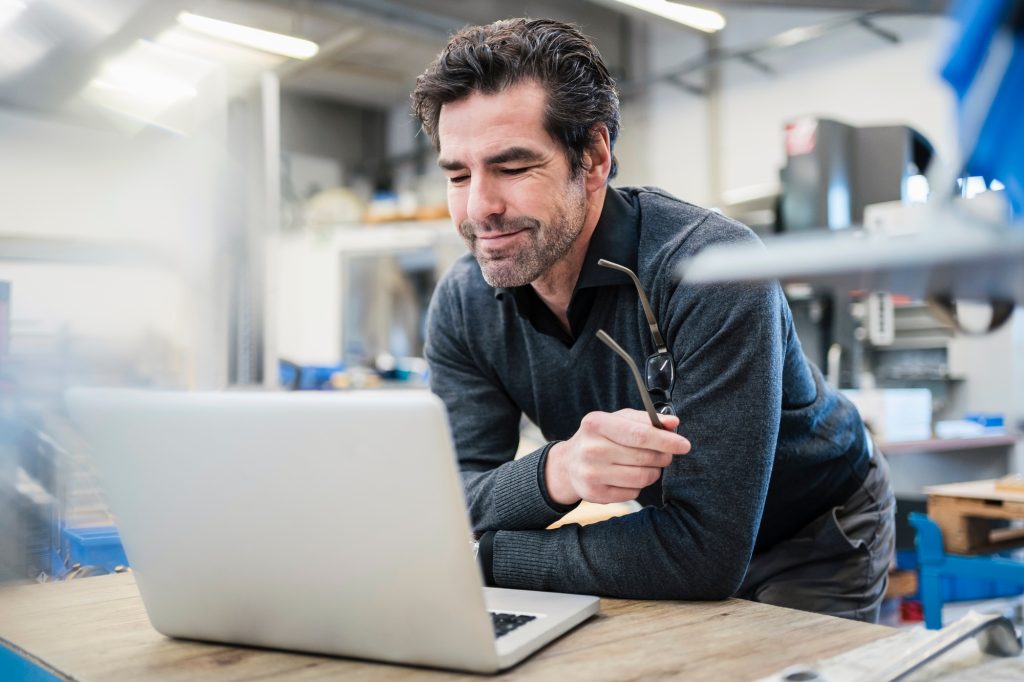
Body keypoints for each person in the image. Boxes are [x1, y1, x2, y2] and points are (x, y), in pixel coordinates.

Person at [412, 18, 895, 622]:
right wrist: (554, 470)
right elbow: (454, 494)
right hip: (664, 531)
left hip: (812, 531)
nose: (479, 206)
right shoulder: (465, 302)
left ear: (592, 158)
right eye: (458, 174)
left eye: (512, 168)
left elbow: (703, 553)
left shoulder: (713, 267)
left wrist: (487, 559)